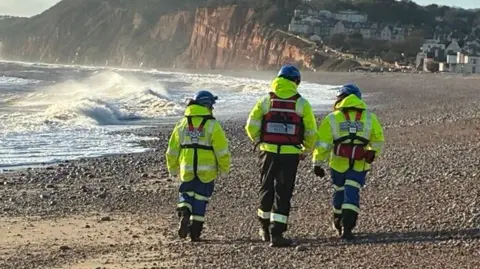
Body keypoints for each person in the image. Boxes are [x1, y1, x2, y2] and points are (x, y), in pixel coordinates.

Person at [245, 64, 317, 247]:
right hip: (290, 154)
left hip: (268, 152)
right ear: (296, 81)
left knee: (266, 188)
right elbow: (310, 132)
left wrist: (259, 142)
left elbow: (251, 125)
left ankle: (263, 228)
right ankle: (276, 234)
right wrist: (305, 150)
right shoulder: (302, 103)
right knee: (283, 192)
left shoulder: (266, 101)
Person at [312, 84, 384, 241]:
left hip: (338, 164)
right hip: (360, 164)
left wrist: (317, 163)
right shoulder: (370, 118)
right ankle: (348, 229)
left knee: (339, 191)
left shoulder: (332, 118)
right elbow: (378, 139)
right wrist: (372, 152)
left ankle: (338, 222)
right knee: (352, 192)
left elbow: (323, 143)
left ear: (339, 99)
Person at [166, 90, 231, 242]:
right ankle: (195, 232)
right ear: (207, 105)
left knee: (186, 192)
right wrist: (225, 168)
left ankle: (184, 211)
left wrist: (173, 168)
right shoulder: (213, 125)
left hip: (186, 167)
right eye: (212, 106)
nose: (213, 109)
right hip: (206, 170)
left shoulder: (182, 124)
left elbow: (172, 149)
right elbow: (222, 150)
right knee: (201, 198)